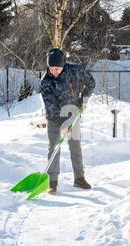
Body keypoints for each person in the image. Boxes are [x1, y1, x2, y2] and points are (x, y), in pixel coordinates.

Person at [39, 48, 95, 195]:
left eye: (57, 68)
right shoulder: (46, 81)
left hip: (73, 113)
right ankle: (52, 182)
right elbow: (50, 104)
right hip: (54, 117)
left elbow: (91, 83)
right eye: (52, 68)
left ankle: (79, 178)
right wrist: (64, 124)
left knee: (75, 146)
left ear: (63, 65)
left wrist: (84, 99)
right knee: (54, 147)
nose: (55, 71)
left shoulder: (76, 71)